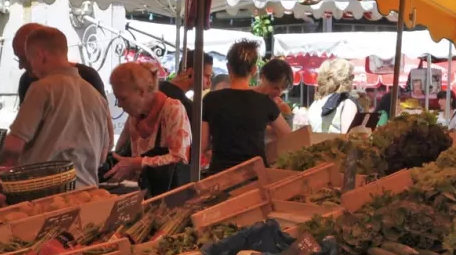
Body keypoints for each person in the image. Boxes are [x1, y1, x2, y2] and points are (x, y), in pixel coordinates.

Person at [1, 24, 113, 187]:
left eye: (27, 58)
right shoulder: (96, 96)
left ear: (41, 56)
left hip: (47, 193)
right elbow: (104, 153)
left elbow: (14, 146)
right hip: (88, 192)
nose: (23, 66)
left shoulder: (41, 88)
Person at [201, 40, 289, 174]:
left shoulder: (210, 100)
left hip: (220, 177)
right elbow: (287, 135)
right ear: (254, 70)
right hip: (255, 178)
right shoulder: (266, 103)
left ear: (228, 67)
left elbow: (202, 144)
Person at [107, 61, 191, 196]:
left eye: (123, 99)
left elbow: (179, 158)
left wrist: (136, 163)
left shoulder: (172, 108)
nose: (120, 105)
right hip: (148, 194)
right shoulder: (135, 117)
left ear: (141, 92)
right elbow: (140, 165)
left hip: (172, 196)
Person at [13, 23, 105, 102]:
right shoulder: (26, 81)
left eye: (23, 58)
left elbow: (105, 120)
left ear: (41, 54)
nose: (20, 66)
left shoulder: (88, 77)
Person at [296, 57, 358, 134]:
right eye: (352, 76)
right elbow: (348, 138)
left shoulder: (316, 103)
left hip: (314, 145)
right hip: (334, 145)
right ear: (347, 79)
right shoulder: (346, 104)